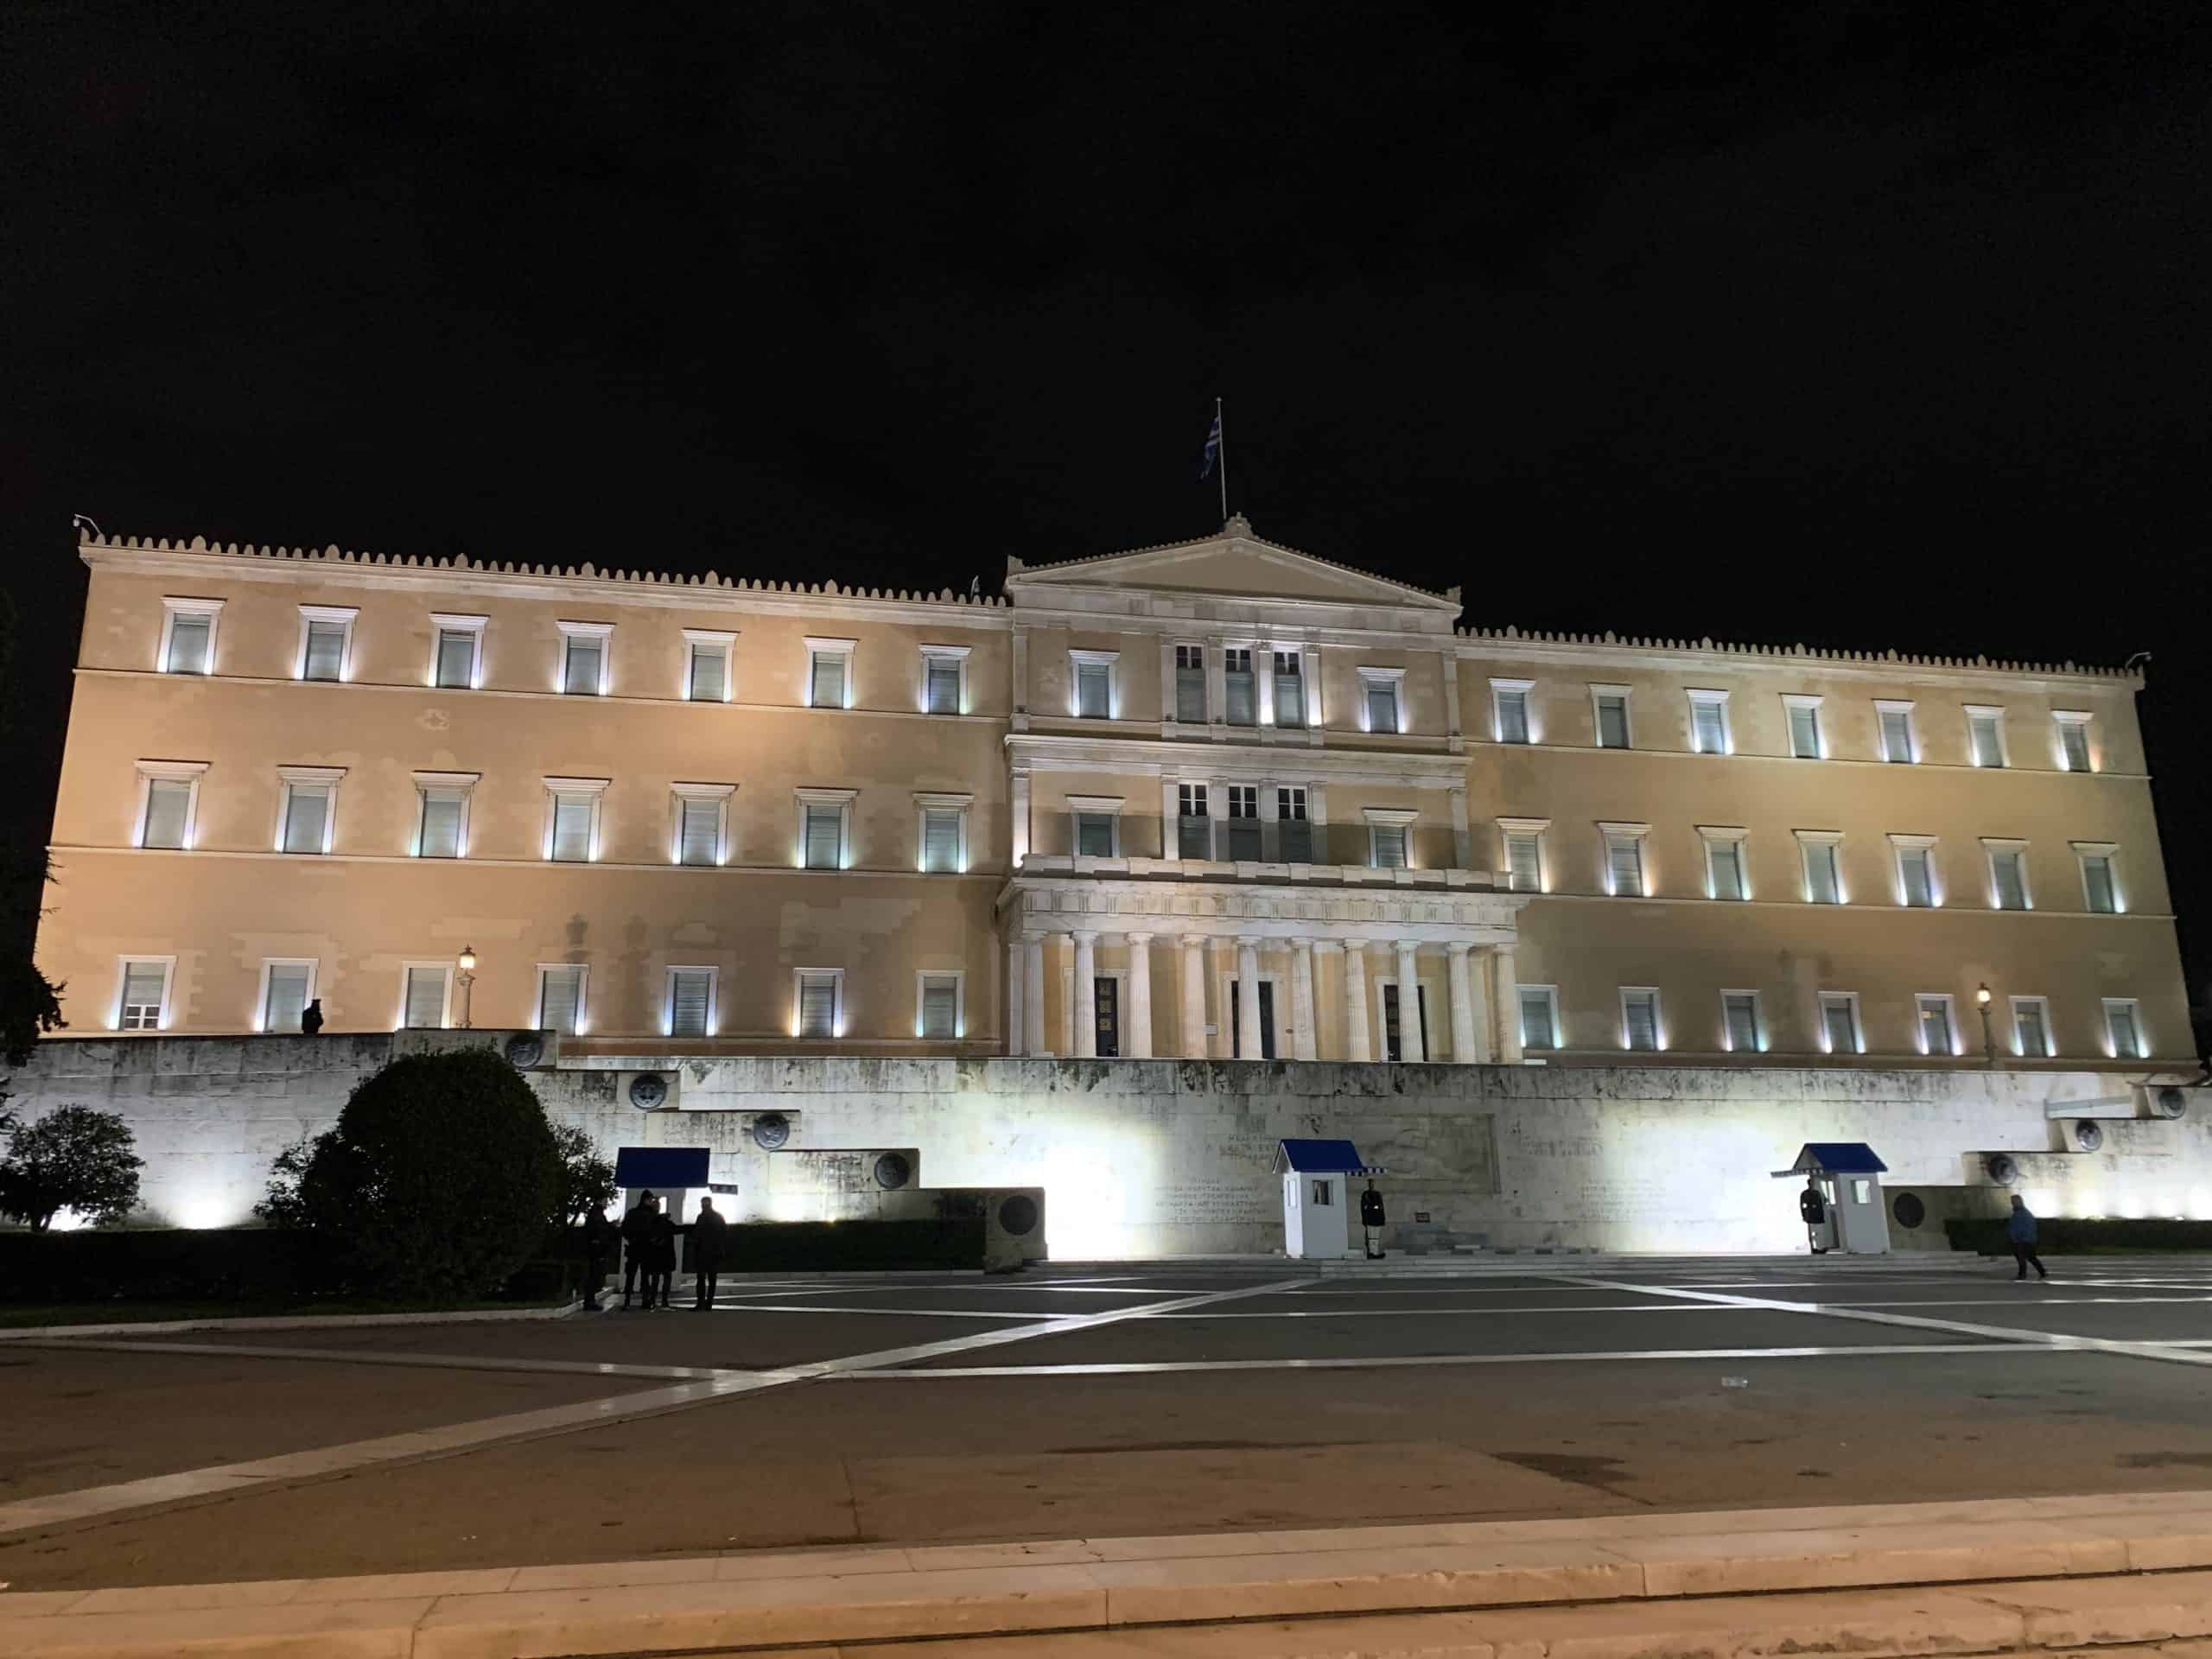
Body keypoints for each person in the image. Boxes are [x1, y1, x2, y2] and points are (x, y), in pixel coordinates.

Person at [619, 1191, 658, 1308]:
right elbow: (655, 1231)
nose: (652, 1202)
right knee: (645, 1276)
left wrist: (632, 1239)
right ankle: (645, 1301)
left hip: (634, 1248)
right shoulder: (651, 1214)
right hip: (646, 1249)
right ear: (647, 1200)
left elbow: (624, 1229)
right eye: (651, 1200)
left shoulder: (632, 1213)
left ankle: (627, 1302)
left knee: (630, 1276)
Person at [689, 1195, 728, 1309]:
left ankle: (701, 1303)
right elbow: (724, 1234)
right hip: (713, 1252)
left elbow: (697, 1234)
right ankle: (708, 1303)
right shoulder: (718, 1217)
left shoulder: (701, 1217)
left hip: (703, 1252)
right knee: (711, 1278)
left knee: (702, 1278)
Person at [581, 1205, 618, 1311]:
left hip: (597, 1250)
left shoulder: (596, 1215)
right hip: (596, 1251)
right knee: (593, 1276)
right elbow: (600, 1230)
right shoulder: (596, 1215)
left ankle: (590, 1301)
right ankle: (589, 1302)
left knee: (594, 1276)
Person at [2009, 1194, 2050, 1281]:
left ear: (2017, 1202)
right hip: (2029, 1239)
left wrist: (2016, 1238)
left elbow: (2018, 1227)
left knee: (2021, 1256)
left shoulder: (2020, 1213)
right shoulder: (2025, 1212)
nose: (2012, 1203)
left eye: (2013, 1201)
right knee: (2031, 1257)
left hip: (2023, 1240)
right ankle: (2042, 1272)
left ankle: (2022, 1274)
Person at [645, 1200, 678, 1308]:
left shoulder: (652, 1219)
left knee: (656, 1279)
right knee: (664, 1278)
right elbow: (675, 1229)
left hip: (657, 1254)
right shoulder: (662, 1220)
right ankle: (662, 1300)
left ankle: (654, 1300)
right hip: (664, 1254)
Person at [1799, 1178, 1829, 1254]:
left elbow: (1821, 1203)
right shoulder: (1812, 1193)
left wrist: (1804, 1215)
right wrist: (1804, 1215)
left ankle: (1817, 1247)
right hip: (1813, 1215)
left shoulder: (1814, 1193)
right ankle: (1815, 1248)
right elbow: (1803, 1205)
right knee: (1815, 1232)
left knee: (1817, 1232)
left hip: (1814, 1215)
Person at [1359, 1180, 1386, 1259]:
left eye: (1373, 1183)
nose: (1372, 1185)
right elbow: (1364, 1207)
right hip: (1370, 1218)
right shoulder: (1366, 1194)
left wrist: (1383, 1218)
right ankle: (1371, 1252)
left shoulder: (1378, 1194)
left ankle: (1375, 1252)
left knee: (1376, 1237)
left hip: (1377, 1219)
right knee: (1370, 1237)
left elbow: (1381, 1207)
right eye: (1370, 1183)